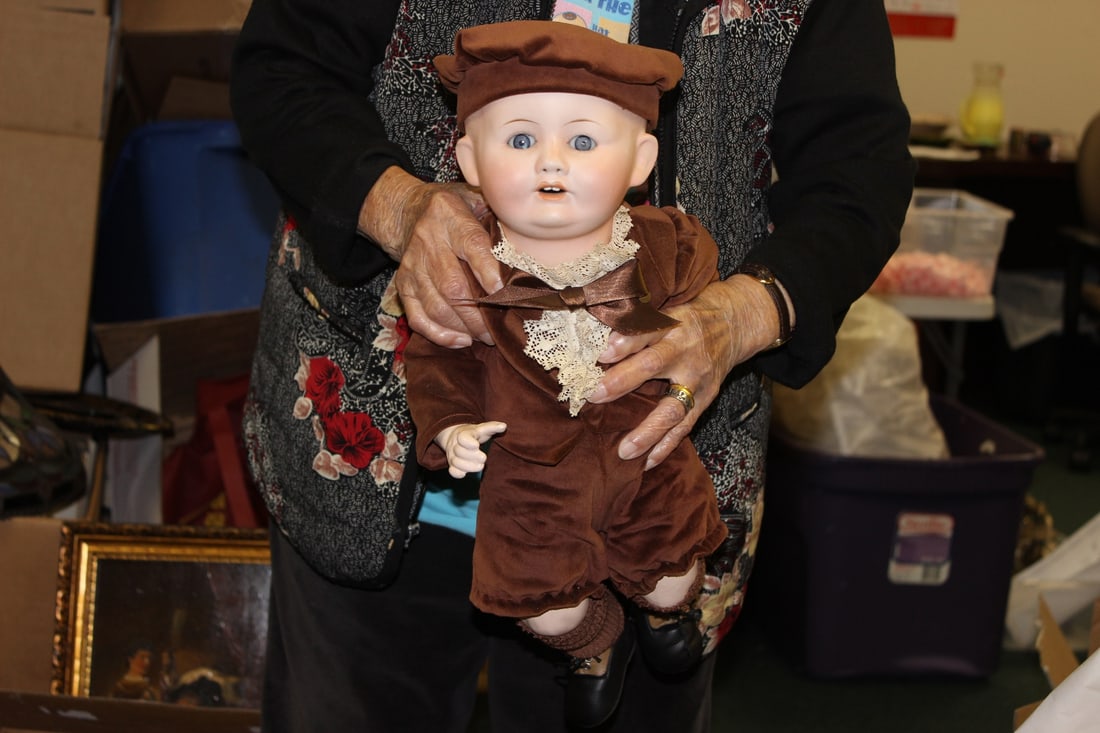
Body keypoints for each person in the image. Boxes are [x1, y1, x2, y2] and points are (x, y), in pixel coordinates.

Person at [230, 1, 915, 731]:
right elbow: (284, 67)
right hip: (375, 454)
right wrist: (399, 209)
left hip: (649, 474)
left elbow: (859, 167)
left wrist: (739, 316)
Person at [404, 21, 728, 728]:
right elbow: (436, 361)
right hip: (533, 479)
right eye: (520, 140)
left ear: (641, 159)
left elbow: (708, 307)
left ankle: (668, 609)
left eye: (583, 141)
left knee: (675, 578)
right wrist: (451, 425)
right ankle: (594, 645)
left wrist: (708, 329)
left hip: (646, 456)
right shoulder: (468, 273)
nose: (551, 161)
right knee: (547, 608)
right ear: (469, 158)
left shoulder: (665, 244)